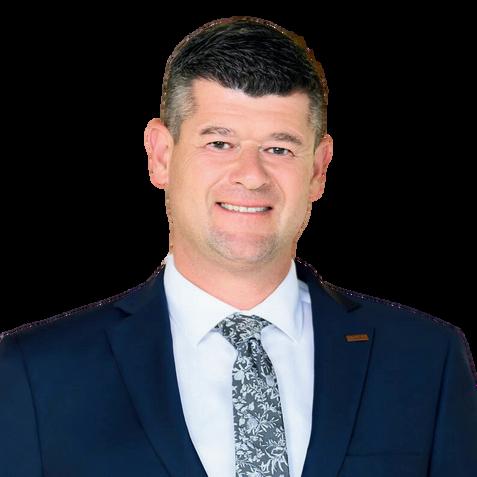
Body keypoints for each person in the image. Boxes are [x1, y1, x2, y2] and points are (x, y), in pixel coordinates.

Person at [1, 16, 476, 477]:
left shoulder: (426, 360)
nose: (251, 175)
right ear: (160, 155)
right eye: (220, 143)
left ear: (319, 168)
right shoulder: (34, 372)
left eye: (279, 148)